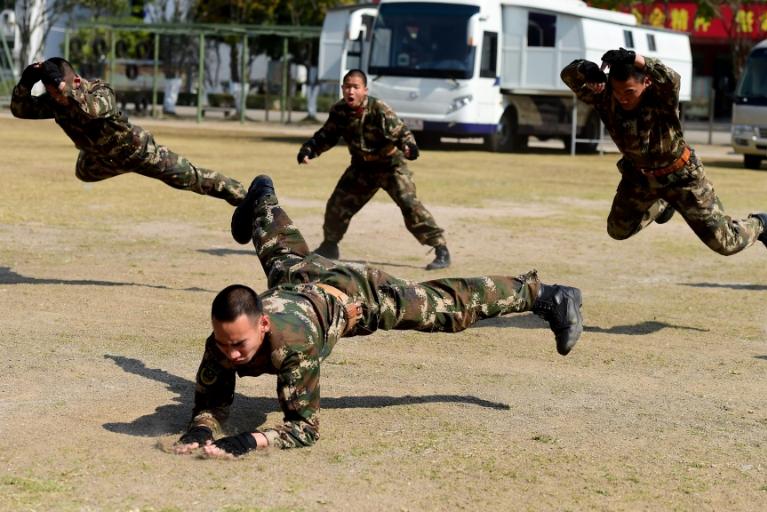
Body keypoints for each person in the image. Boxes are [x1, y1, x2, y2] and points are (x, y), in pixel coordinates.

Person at [174, 174, 584, 458]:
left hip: (354, 294)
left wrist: (252, 441)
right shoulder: (224, 341)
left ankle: (547, 296)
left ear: (262, 324)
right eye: (225, 344)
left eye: (240, 345)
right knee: (280, 252)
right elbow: (211, 399)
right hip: (294, 283)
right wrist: (202, 428)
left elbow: (303, 428)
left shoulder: (294, 348)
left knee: (444, 308)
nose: (232, 355)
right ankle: (263, 198)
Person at [560, 48, 767, 263]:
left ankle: (760, 225)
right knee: (617, 230)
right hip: (639, 178)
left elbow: (672, 77)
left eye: (629, 91)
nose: (623, 98)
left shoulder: (661, 98)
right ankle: (661, 204)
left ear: (646, 82)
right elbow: (568, 75)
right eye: (618, 92)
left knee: (725, 243)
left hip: (681, 177)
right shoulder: (605, 97)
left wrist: (636, 59)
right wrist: (586, 69)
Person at [10, 57, 245, 205]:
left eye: (59, 92)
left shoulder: (100, 90)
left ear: (77, 82)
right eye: (52, 94)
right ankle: (99, 157)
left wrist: (64, 88)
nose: (57, 99)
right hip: (100, 160)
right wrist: (26, 82)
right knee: (82, 172)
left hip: (137, 151)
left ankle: (241, 195)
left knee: (188, 178)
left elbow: (92, 110)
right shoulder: (56, 102)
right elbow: (20, 110)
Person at [294, 69, 451, 270]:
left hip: (390, 165)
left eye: (355, 87)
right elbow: (327, 135)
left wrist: (409, 147)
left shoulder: (379, 109)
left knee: (409, 204)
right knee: (337, 204)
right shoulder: (339, 111)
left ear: (364, 90)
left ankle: (441, 248)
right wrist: (309, 149)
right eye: (347, 87)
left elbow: (402, 132)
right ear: (342, 89)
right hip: (361, 168)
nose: (351, 91)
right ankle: (329, 246)